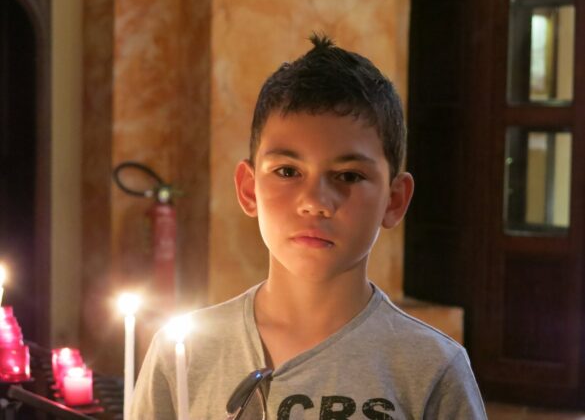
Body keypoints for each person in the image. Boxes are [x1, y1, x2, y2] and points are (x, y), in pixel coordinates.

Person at [130, 33, 487, 420]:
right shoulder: (183, 354)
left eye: (348, 176)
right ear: (249, 189)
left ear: (394, 199)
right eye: (287, 171)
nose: (314, 202)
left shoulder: (431, 368)